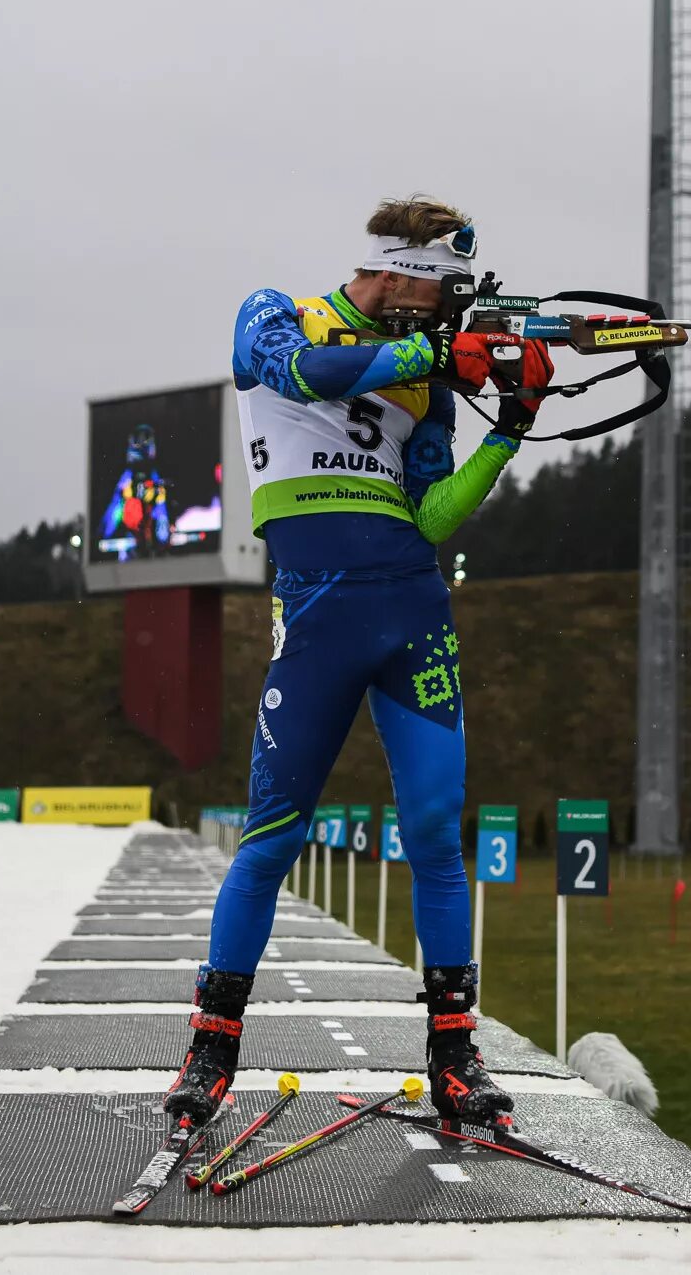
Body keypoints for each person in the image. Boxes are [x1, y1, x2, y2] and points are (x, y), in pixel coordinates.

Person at [164, 197, 551, 1131]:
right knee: (272, 835)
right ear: (398, 264)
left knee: (433, 832)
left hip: (412, 609)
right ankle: (211, 1047)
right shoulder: (280, 312)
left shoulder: (431, 383)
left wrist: (510, 424)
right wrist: (430, 356)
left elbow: (433, 516)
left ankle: (455, 1054)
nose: (450, 303)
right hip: (320, 611)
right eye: (442, 284)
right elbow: (295, 373)